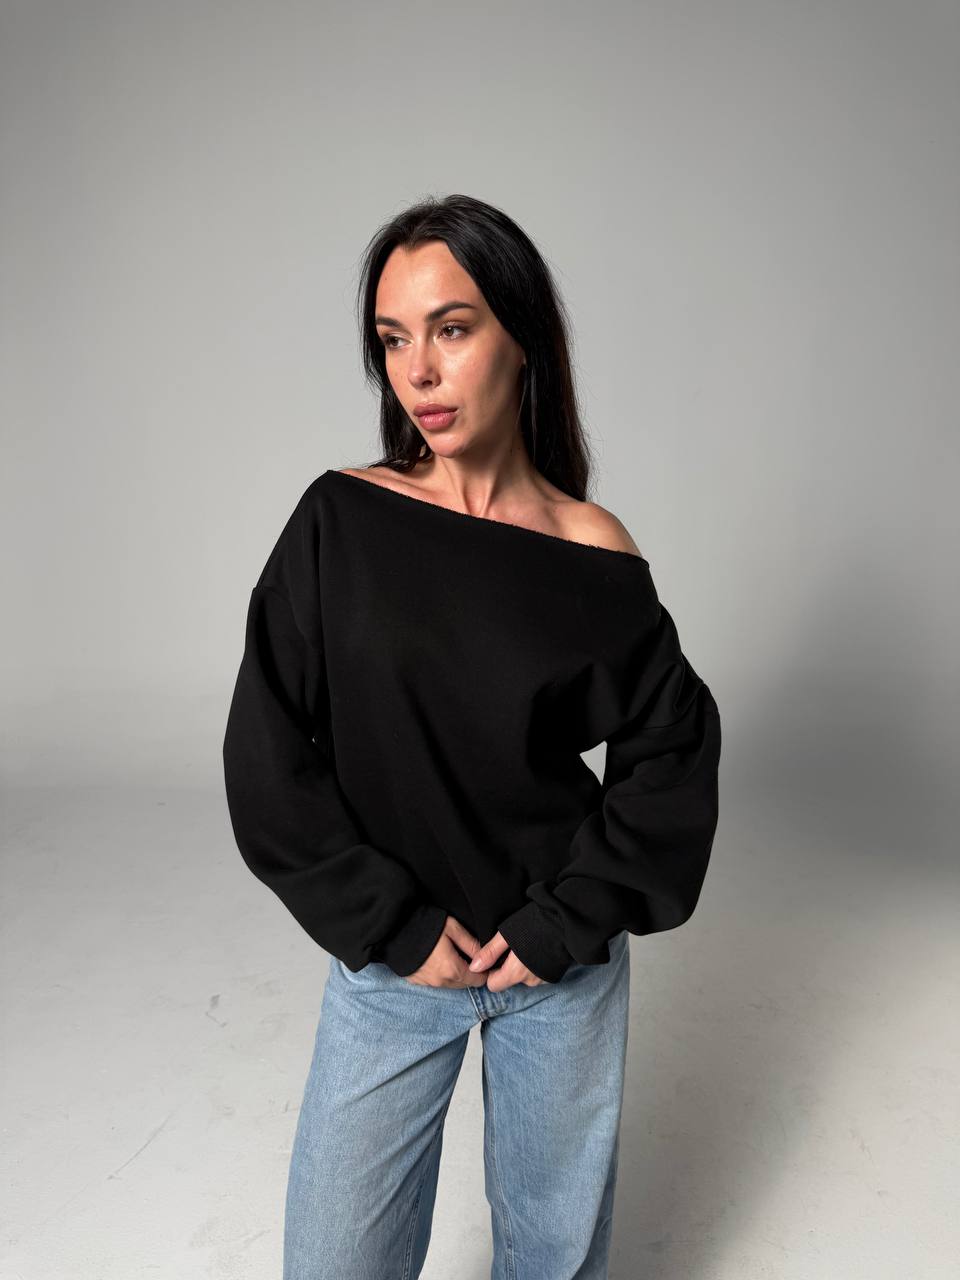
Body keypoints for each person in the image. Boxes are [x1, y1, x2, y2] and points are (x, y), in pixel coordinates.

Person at [222, 193, 722, 1280]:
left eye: (451, 329)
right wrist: (392, 925)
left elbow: (672, 747)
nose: (419, 371)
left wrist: (566, 923)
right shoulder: (341, 520)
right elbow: (268, 753)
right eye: (394, 339)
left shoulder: (591, 549)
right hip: (396, 963)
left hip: (556, 966)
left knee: (553, 1262)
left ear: (521, 336)